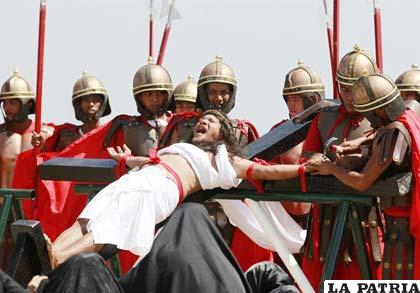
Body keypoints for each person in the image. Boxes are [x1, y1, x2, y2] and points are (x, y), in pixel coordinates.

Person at [48, 110, 312, 268]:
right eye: (202, 118)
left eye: (211, 121)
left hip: (160, 189)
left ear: (222, 134)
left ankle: (59, 258)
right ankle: (49, 254)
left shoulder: (226, 159)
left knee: (106, 230)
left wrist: (303, 170)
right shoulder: (183, 147)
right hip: (137, 179)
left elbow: (267, 172)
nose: (203, 121)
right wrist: (127, 160)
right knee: (86, 221)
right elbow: (150, 160)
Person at [309, 73, 420, 280]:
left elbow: (361, 182)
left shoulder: (395, 134)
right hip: (395, 222)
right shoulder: (406, 119)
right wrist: (358, 146)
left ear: (379, 110)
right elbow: (378, 145)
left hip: (401, 229)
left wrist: (331, 168)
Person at [300, 45, 381, 289]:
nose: (348, 95)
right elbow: (306, 156)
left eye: (354, 89)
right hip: (326, 214)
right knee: (319, 281)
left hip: (368, 213)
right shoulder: (324, 116)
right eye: (343, 88)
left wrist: (356, 160)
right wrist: (327, 161)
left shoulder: (381, 118)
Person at [24, 71, 111, 240]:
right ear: (78, 104)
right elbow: (46, 147)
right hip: (71, 204)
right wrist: (41, 141)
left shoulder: (110, 133)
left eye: (95, 99)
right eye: (86, 100)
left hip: (99, 200)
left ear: (103, 102)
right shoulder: (65, 135)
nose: (91, 104)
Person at [0, 69, 36, 188]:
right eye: (5, 103)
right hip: (3, 205)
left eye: (12, 103)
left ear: (28, 104)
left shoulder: (44, 134)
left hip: (31, 204)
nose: (7, 107)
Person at [158, 75, 200, 148]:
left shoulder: (201, 127)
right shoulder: (166, 127)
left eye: (190, 106)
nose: (184, 110)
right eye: (180, 106)